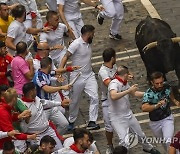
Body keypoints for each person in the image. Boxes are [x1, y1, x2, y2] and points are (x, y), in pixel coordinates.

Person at [108, 65, 160, 153]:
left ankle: (148, 148)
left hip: (128, 114)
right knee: (124, 141)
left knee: (140, 134)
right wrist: (128, 91)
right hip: (117, 117)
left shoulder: (124, 82)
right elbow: (113, 96)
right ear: (125, 74)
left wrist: (148, 94)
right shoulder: (114, 84)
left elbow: (134, 93)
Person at [60, 25, 100, 130]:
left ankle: (92, 121)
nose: (94, 35)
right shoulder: (76, 44)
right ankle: (71, 120)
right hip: (77, 76)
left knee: (95, 97)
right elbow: (65, 57)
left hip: (89, 75)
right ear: (88, 34)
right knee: (75, 100)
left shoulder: (88, 43)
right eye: (93, 33)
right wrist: (60, 71)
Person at [142, 71, 180, 152]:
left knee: (168, 141)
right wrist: (156, 106)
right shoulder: (149, 93)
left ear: (163, 79)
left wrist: (175, 101)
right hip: (155, 122)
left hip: (167, 118)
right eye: (157, 83)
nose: (159, 85)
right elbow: (144, 108)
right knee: (163, 143)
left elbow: (170, 93)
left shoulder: (167, 86)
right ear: (152, 82)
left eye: (161, 82)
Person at [20, 82, 64, 151]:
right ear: (31, 92)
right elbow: (23, 129)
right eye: (35, 89)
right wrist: (26, 120)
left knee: (60, 150)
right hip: (36, 137)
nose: (36, 91)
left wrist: (60, 103)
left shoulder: (36, 98)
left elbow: (46, 103)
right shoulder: (23, 108)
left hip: (48, 130)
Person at [33, 57, 71, 135]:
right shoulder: (39, 76)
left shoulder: (46, 72)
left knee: (64, 124)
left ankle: (55, 139)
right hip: (42, 108)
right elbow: (47, 89)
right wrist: (62, 87)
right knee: (42, 130)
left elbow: (57, 71)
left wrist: (70, 69)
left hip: (51, 106)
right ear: (49, 65)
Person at [98, 48, 117, 154]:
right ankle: (110, 145)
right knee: (108, 126)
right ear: (112, 58)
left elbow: (121, 72)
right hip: (107, 101)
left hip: (117, 99)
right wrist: (122, 80)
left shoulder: (114, 66)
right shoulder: (103, 71)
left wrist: (127, 74)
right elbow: (109, 84)